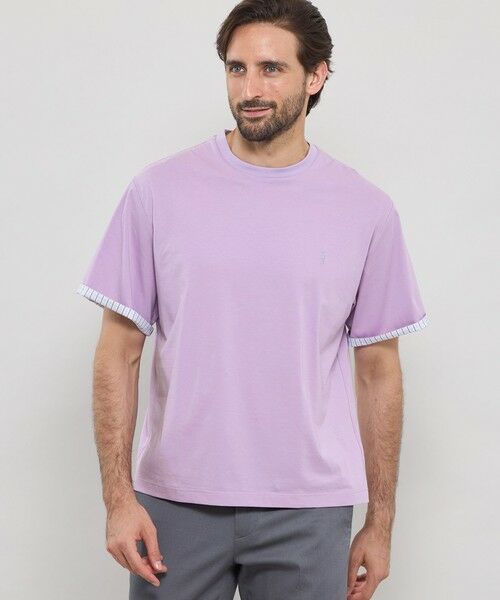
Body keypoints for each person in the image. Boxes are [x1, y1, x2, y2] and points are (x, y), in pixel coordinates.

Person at [76, 1, 429, 598]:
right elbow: (118, 351)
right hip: (176, 503)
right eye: (236, 68)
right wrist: (117, 499)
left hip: (309, 508)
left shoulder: (366, 209)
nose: (250, 89)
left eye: (271, 68)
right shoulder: (158, 192)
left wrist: (381, 522)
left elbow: (379, 372)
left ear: (316, 75)